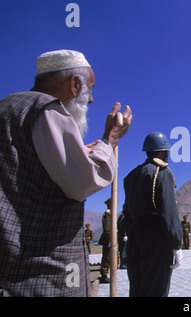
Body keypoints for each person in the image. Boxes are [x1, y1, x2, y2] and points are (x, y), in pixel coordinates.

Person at [0, 49, 132, 297]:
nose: (91, 99)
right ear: (75, 84)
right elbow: (82, 182)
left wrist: (82, 152)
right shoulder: (47, 109)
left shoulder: (8, 107)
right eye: (90, 88)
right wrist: (109, 139)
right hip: (41, 279)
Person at [123, 132, 183, 297]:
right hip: (156, 236)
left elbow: (126, 212)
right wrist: (176, 243)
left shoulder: (130, 177)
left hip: (135, 235)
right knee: (156, 288)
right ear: (163, 152)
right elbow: (168, 211)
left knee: (137, 287)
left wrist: (131, 234)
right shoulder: (162, 172)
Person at [98, 198, 112, 284]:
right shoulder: (108, 213)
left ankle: (105, 273)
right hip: (108, 239)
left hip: (110, 239)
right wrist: (110, 240)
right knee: (107, 256)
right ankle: (104, 274)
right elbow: (107, 229)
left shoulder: (111, 213)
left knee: (109, 256)